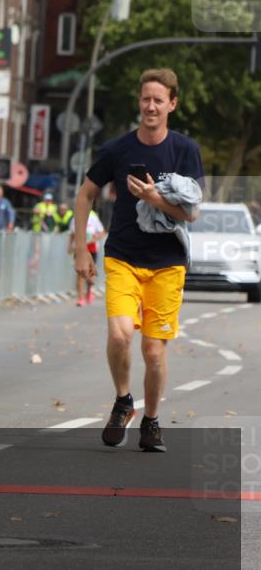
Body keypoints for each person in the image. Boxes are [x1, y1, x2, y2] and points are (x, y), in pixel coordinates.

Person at [73, 68, 202, 453]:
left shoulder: (184, 150)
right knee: (119, 335)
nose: (150, 106)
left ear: (171, 105)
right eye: (145, 99)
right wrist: (82, 249)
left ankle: (152, 421)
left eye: (158, 100)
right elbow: (85, 196)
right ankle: (123, 400)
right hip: (123, 256)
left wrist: (153, 198)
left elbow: (191, 213)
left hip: (167, 261)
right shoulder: (117, 149)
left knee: (152, 351)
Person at [70, 208, 105, 306]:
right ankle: (80, 298)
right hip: (80, 249)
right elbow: (72, 233)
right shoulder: (75, 217)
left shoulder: (94, 217)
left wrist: (95, 238)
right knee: (80, 274)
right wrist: (70, 245)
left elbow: (102, 232)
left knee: (89, 274)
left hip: (91, 249)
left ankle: (89, 290)